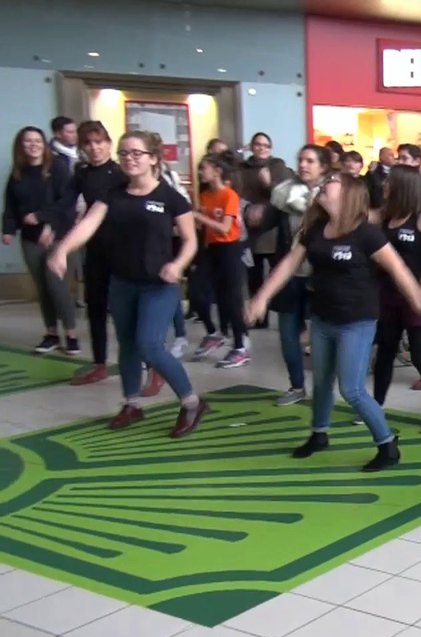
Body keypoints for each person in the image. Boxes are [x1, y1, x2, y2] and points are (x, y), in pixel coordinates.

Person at [248, 174, 421, 471]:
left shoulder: (367, 234)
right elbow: (288, 265)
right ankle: (319, 434)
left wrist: (418, 300)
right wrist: (262, 297)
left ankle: (387, 444)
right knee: (321, 383)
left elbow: (397, 268)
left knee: (352, 389)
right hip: (323, 318)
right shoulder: (317, 229)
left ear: (349, 193)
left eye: (331, 181)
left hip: (356, 321)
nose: (323, 184)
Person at [48, 131, 208, 437]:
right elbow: (88, 225)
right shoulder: (112, 193)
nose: (129, 159)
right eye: (124, 153)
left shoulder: (171, 198)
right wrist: (63, 249)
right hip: (122, 283)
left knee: (150, 344)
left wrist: (177, 264)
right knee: (128, 344)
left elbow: (190, 241)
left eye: (136, 153)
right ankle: (132, 404)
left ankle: (191, 402)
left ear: (153, 159)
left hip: (159, 285)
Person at [370, 165, 421, 434]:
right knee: (384, 352)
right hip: (388, 295)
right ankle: (376, 407)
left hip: (419, 295)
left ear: (403, 186)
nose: (384, 187)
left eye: (389, 183)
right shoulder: (383, 217)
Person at [4, 126, 77, 354]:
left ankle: (72, 334)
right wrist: (8, 230)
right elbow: (10, 206)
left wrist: (46, 221)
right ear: (21, 145)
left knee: (57, 285)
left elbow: (67, 203)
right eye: (28, 141)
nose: (33, 145)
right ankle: (51, 333)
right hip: (30, 239)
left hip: (59, 236)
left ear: (44, 144)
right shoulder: (18, 172)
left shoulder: (58, 167)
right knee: (43, 288)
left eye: (37, 140)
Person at [266, 144, 327, 406]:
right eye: (301, 160)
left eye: (310, 161)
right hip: (291, 273)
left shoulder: (332, 194)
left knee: (322, 336)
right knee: (287, 333)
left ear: (322, 166)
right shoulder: (285, 193)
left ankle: (324, 391)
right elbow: (269, 218)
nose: (303, 165)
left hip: (321, 274)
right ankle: (297, 386)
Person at [67, 121, 125, 384]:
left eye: (99, 142)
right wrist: (49, 223)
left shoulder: (121, 173)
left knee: (127, 308)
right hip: (96, 249)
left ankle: (145, 363)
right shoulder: (82, 174)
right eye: (88, 143)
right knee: (96, 307)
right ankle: (99, 362)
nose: (95, 148)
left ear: (109, 144)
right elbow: (64, 203)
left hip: (123, 249)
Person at [190, 154, 249, 368]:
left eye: (204, 168)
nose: (200, 173)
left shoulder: (229, 195)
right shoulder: (205, 195)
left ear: (217, 170)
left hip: (230, 250)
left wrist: (198, 217)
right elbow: (205, 226)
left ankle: (240, 347)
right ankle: (214, 333)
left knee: (231, 300)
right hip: (211, 250)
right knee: (196, 292)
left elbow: (225, 227)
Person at [238, 132, 293, 322]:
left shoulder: (278, 166)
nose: (262, 148)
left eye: (266, 145)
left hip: (272, 229)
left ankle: (282, 309)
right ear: (252, 147)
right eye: (258, 145)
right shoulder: (242, 168)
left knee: (278, 272)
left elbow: (287, 194)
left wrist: (270, 184)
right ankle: (259, 315)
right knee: (253, 275)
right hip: (250, 229)